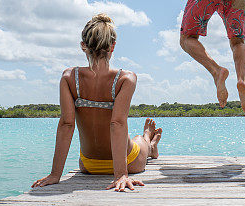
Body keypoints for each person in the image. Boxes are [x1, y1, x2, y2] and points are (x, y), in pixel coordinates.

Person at [32, 13, 163, 192]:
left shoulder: (69, 78)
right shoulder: (125, 79)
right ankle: (149, 141)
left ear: (83, 46)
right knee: (139, 140)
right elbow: (117, 123)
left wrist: (55, 175)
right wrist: (121, 175)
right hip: (129, 162)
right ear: (113, 46)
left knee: (135, 140)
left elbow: (66, 124)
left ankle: (150, 142)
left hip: (89, 165)